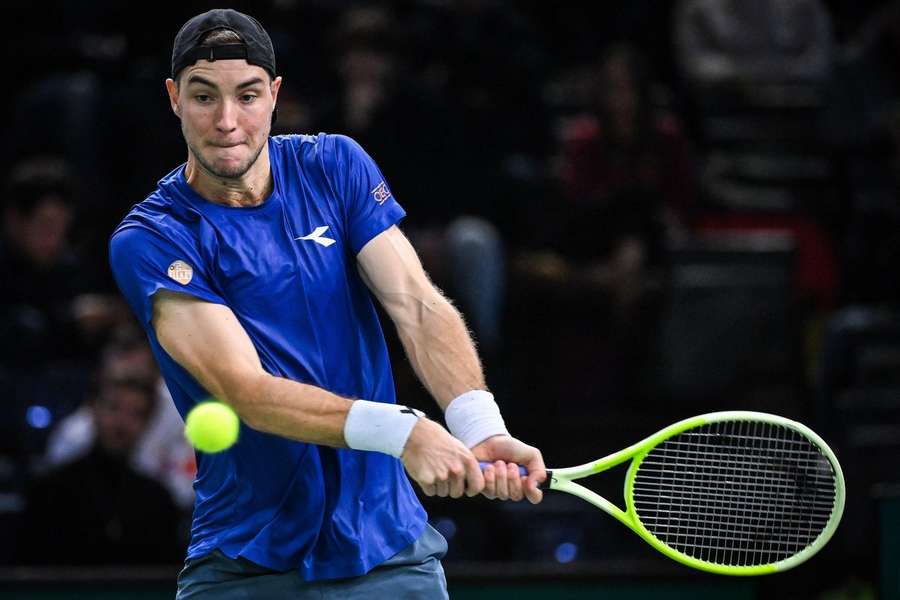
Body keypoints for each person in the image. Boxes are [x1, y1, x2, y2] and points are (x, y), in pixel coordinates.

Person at [108, 9, 546, 599]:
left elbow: (416, 304)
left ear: (276, 95)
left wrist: (478, 424)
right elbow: (248, 392)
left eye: (248, 94)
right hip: (248, 564)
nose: (228, 121)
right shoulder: (153, 238)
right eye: (204, 96)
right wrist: (405, 431)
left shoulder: (334, 165)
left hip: (389, 553)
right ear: (173, 99)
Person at [17, 376, 182, 565]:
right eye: (113, 408)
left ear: (148, 423)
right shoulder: (49, 493)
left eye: (136, 414)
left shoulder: (158, 501)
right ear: (93, 409)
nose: (121, 423)